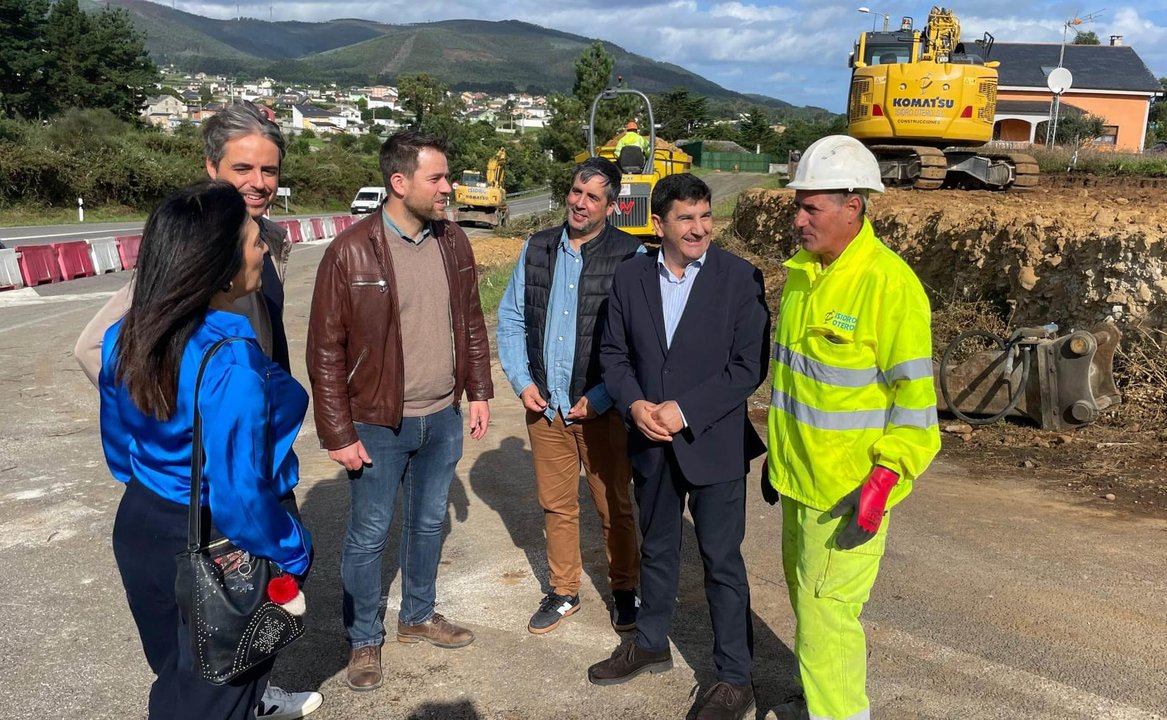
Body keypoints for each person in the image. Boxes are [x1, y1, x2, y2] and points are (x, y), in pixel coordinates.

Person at [74, 100, 320, 720]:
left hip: (146, 519)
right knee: (218, 687)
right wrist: (293, 553)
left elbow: (116, 436)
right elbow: (240, 497)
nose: (260, 252)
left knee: (181, 677)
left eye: (269, 170)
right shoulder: (229, 362)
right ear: (217, 260)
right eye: (248, 245)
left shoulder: (131, 330)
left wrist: (158, 470)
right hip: (217, 525)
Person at [306, 130, 493, 692]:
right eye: (436, 178)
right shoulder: (351, 250)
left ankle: (417, 615)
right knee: (368, 533)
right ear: (399, 182)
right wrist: (337, 430)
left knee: (429, 522)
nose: (447, 187)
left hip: (442, 415)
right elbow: (324, 351)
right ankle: (364, 639)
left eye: (446, 176)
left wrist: (479, 389)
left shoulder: (453, 241)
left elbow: (472, 323)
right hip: (376, 422)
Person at [762, 135, 940, 720]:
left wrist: (888, 475)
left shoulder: (889, 286)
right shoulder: (802, 276)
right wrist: (777, 457)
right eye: (798, 206)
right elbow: (797, 385)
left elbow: (916, 405)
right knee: (806, 603)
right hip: (799, 482)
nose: (798, 219)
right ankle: (815, 700)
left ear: (853, 206)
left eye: (811, 207)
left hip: (848, 492)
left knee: (829, 615)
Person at [589, 173, 770, 720]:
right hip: (649, 442)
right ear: (659, 223)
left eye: (705, 216)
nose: (699, 228)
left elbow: (748, 367)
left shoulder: (740, 278)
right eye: (686, 218)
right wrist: (636, 405)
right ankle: (649, 644)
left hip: (712, 444)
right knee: (658, 550)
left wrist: (685, 409)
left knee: (721, 562)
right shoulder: (630, 278)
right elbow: (613, 356)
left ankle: (735, 678)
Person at [496, 156, 642, 635]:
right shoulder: (537, 248)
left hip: (600, 411)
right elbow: (512, 318)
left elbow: (641, 341)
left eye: (592, 197)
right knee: (557, 506)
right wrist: (522, 381)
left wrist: (602, 396)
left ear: (611, 205)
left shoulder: (630, 257)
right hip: (547, 408)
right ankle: (563, 592)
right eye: (576, 192)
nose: (580, 204)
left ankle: (625, 588)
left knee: (613, 504)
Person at [76, 99, 292, 382]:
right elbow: (92, 347)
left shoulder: (271, 241)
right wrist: (172, 415)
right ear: (212, 168)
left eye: (269, 171)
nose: (259, 182)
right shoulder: (194, 244)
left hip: (258, 418)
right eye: (243, 169)